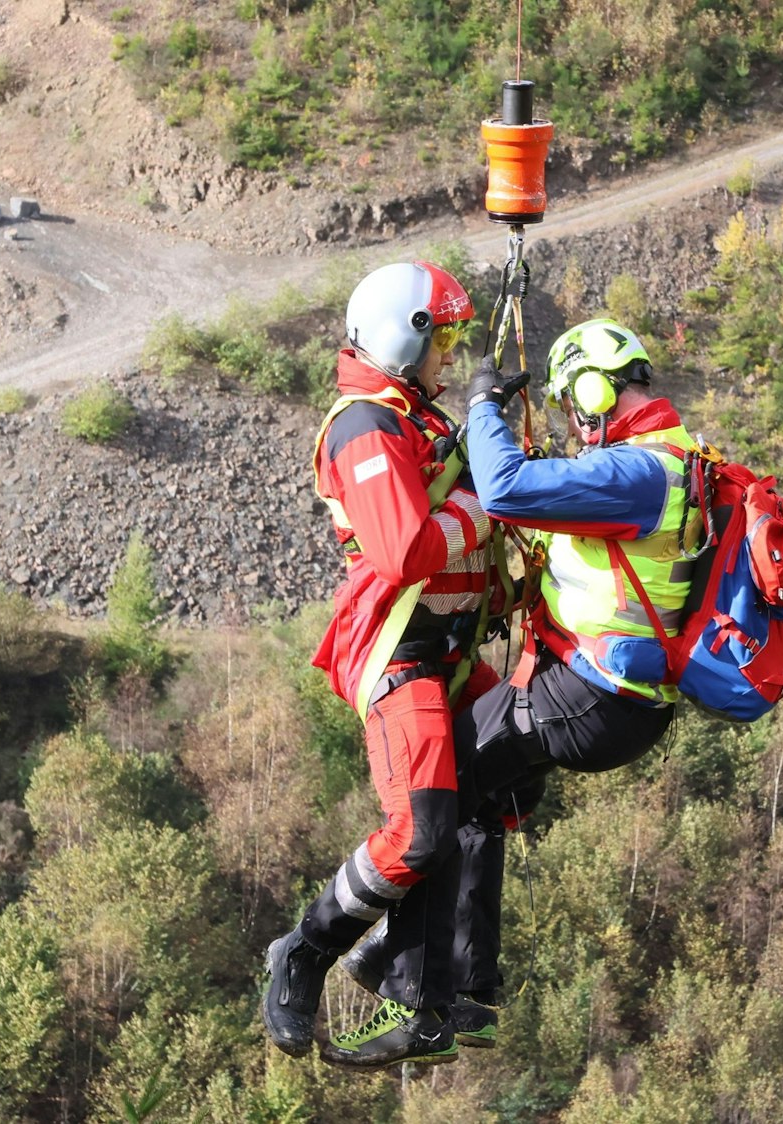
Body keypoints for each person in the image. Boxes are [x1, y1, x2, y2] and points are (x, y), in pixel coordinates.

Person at [339, 317, 700, 1052]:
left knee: (437, 788)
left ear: (597, 391)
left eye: (574, 403)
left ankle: (410, 994)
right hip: (621, 702)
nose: (574, 421)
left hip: (591, 695)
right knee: (481, 799)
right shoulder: (678, 459)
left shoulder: (633, 470)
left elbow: (502, 488)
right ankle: (470, 994)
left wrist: (483, 410)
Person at [260, 261, 505, 1070]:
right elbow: (405, 549)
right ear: (407, 336)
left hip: (451, 649)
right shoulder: (366, 424)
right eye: (448, 341)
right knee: (421, 829)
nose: (452, 356)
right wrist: (478, 506)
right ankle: (307, 950)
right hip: (401, 649)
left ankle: (434, 985)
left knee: (503, 780)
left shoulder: (420, 419)